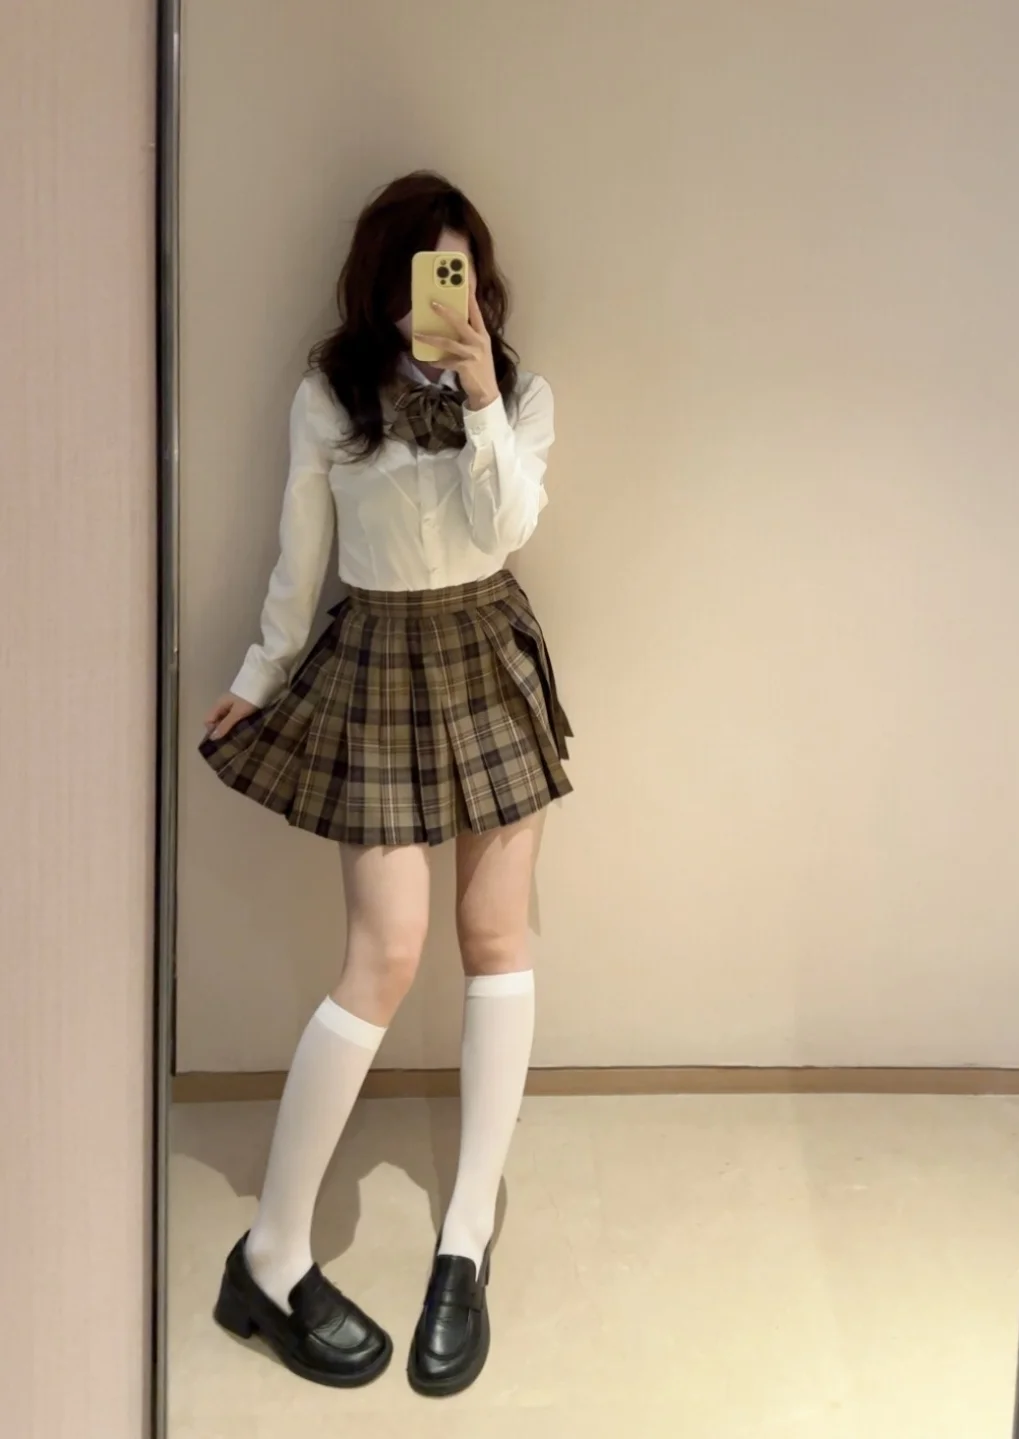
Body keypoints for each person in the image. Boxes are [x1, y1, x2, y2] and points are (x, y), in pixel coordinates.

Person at [200, 171, 571, 1398]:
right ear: (383, 280)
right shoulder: (329, 395)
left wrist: (479, 395)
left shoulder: (522, 393)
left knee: (496, 935)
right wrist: (260, 673)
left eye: (457, 270)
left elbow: (507, 526)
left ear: (479, 280)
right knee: (387, 950)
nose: (441, 294)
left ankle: (464, 1238)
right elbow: (300, 554)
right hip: (375, 659)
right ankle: (269, 1254)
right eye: (423, 271)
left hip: (488, 655)